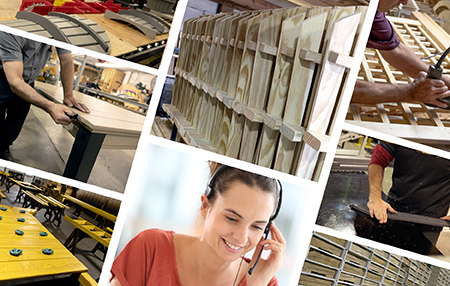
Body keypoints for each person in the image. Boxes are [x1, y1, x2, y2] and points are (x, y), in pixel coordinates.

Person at [110, 163, 285, 286]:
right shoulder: (152, 248)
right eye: (232, 219)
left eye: (256, 226)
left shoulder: (264, 281)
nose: (241, 237)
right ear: (205, 206)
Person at [0, 32, 90, 160]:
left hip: (27, 82)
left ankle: (4, 146)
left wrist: (68, 95)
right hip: (3, 78)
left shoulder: (56, 31)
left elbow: (66, 60)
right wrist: (50, 106)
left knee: (15, 123)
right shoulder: (11, 32)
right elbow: (15, 81)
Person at [352, 0, 450, 108]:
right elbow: (334, 87)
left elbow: (396, 50)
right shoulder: (334, 6)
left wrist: (444, 80)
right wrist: (410, 92)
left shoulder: (372, 10)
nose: (404, 2)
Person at [367, 141, 450, 241]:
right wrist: (375, 198)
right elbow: (378, 158)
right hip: (392, 212)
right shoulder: (400, 131)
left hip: (430, 222)